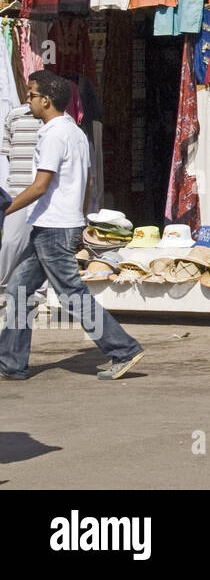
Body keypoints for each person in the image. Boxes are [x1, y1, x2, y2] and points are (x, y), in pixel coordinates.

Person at [0, 71, 144, 380]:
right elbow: (87, 183)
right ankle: (10, 363)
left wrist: (7, 209)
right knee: (19, 289)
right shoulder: (77, 133)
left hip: (53, 228)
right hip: (56, 225)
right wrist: (79, 221)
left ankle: (123, 349)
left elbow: (40, 186)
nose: (28, 101)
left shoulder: (53, 134)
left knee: (71, 294)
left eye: (31, 95)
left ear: (46, 100)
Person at [0, 102, 41, 308]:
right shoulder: (14, 115)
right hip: (17, 191)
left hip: (42, 193)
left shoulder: (56, 122)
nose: (28, 96)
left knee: (38, 245)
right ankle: (4, 287)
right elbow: (7, 152)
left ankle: (33, 292)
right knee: (10, 242)